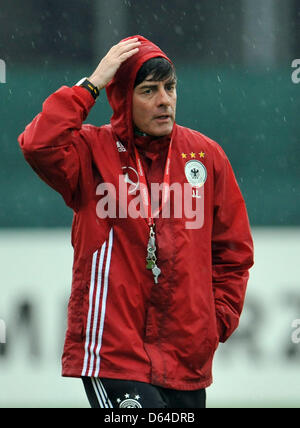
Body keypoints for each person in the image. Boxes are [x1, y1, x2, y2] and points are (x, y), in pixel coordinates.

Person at [18, 35, 254, 409]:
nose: (165, 100)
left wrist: (214, 321)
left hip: (185, 359)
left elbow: (233, 252)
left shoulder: (206, 156)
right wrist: (92, 84)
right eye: (148, 91)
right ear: (123, 98)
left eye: (170, 87)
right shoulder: (91, 151)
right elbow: (37, 144)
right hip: (113, 355)